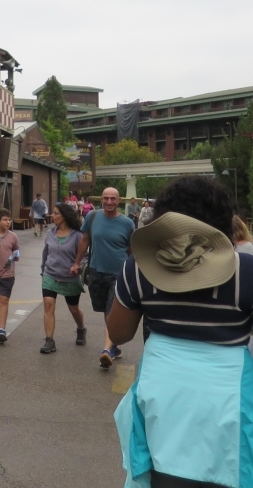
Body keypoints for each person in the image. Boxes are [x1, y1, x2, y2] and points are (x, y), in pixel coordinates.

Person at [108, 176, 253, 488]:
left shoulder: (140, 267)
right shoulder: (246, 271)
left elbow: (118, 333)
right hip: (229, 399)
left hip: (160, 396)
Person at [73, 186, 135, 368]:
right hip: (96, 271)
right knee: (103, 309)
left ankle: (106, 350)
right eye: (106, 198)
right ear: (101, 199)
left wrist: (133, 272)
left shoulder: (127, 223)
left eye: (113, 199)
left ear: (119, 200)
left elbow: (132, 251)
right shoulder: (93, 217)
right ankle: (114, 345)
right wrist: (77, 263)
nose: (109, 202)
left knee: (110, 311)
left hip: (118, 273)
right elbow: (85, 240)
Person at [39, 203, 87, 354]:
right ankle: (49, 341)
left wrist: (78, 266)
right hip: (50, 274)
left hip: (70, 277)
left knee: (73, 309)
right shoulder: (50, 233)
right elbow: (46, 253)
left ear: (65, 216)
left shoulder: (78, 235)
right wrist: (43, 269)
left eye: (56, 213)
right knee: (48, 304)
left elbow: (84, 256)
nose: (52, 216)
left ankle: (81, 329)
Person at [0, 208, 20, 344]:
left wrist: (14, 257)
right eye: (5, 220)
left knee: (3, 299)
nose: (8, 222)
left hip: (7, 274)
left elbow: (17, 253)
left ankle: (2, 329)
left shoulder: (13, 236)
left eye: (9, 219)